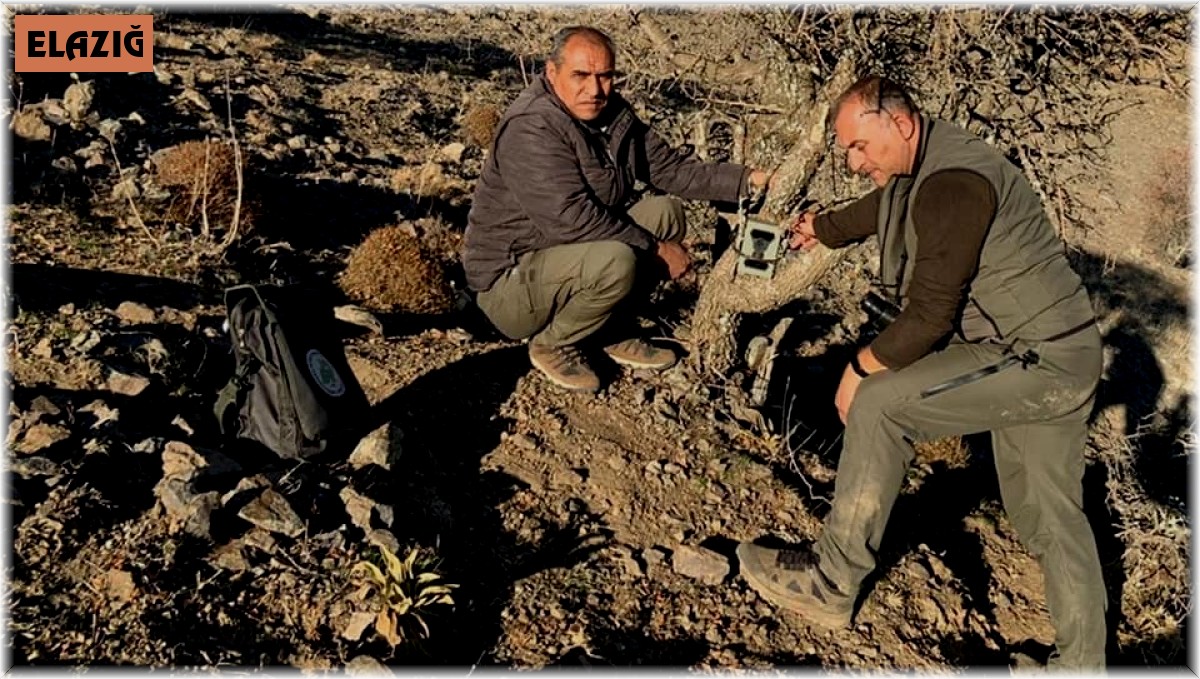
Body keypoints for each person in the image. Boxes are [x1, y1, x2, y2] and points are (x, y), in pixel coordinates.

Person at [736, 76, 1106, 670]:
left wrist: (858, 368)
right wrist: (824, 228)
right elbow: (889, 205)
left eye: (859, 146)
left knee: (881, 404)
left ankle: (831, 583)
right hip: (1067, 351)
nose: (855, 163)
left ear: (900, 124)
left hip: (1032, 358)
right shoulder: (934, 157)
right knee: (1051, 516)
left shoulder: (954, 184)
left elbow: (931, 317)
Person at [462, 25, 770, 393]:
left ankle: (608, 328)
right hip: (510, 283)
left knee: (665, 214)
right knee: (617, 259)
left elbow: (671, 170)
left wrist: (748, 180)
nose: (594, 90)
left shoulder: (612, 114)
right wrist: (655, 249)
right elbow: (571, 219)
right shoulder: (532, 127)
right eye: (581, 75)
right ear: (551, 72)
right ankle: (554, 343)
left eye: (605, 76)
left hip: (562, 258)